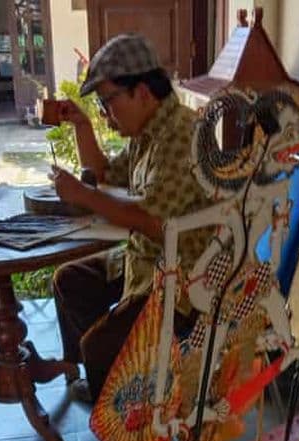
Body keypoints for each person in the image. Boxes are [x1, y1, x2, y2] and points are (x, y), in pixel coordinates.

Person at [49, 33, 212, 404]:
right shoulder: (148, 130)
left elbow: (152, 221)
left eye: (108, 101)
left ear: (141, 91)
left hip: (181, 280)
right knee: (69, 281)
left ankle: (127, 419)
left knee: (98, 345)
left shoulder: (182, 134)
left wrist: (83, 195)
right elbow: (105, 173)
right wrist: (81, 126)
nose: (107, 113)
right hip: (145, 259)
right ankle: (100, 380)